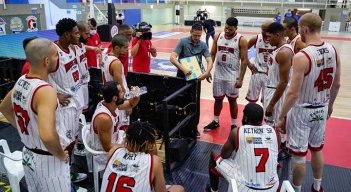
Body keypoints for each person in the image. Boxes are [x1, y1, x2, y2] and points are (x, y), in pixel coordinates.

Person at [276, 13, 341, 192]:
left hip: (302, 111)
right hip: (321, 108)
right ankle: (317, 187)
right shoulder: (334, 50)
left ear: (304, 29)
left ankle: (295, 189)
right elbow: (337, 84)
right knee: (317, 150)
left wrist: (281, 116)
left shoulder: (302, 56)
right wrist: (330, 105)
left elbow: (293, 94)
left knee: (298, 157)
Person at [0, 38, 71, 192]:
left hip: (28, 154)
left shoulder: (21, 81)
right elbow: (47, 136)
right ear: (46, 61)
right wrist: (60, 154)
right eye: (55, 56)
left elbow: (4, 108)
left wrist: (24, 131)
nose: (57, 58)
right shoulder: (45, 91)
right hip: (48, 159)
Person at [206, 103, 280, 192]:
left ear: (245, 117)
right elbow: (275, 153)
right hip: (272, 188)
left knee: (214, 153)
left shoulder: (237, 131)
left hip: (244, 188)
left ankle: (213, 190)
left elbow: (224, 155)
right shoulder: (274, 132)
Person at [48, 18, 87, 182]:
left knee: (72, 141)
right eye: (76, 33)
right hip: (64, 107)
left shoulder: (71, 48)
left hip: (75, 101)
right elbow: (38, 75)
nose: (79, 36)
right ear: (66, 34)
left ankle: (68, 173)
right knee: (65, 143)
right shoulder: (53, 52)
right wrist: (55, 95)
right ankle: (63, 177)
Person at [100, 121, 184, 192]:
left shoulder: (113, 151)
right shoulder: (154, 161)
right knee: (179, 189)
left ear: (126, 138)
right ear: (149, 144)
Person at [204, 17, 249, 131]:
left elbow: (244, 60)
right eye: (226, 28)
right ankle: (215, 121)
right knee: (218, 100)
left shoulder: (241, 40)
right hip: (219, 74)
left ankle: (234, 124)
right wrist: (208, 70)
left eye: (230, 29)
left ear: (236, 28)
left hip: (232, 76)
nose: (227, 30)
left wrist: (241, 79)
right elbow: (212, 54)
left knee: (232, 100)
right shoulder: (218, 36)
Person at [170, 22, 213, 137]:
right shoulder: (183, 42)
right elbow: (172, 57)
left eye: (199, 36)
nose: (197, 38)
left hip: (195, 79)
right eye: (195, 35)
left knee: (195, 103)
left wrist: (207, 72)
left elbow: (209, 60)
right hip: (181, 77)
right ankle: (178, 127)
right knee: (180, 102)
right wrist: (183, 69)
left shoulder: (203, 45)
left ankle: (194, 127)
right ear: (191, 32)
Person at [265, 22, 294, 160]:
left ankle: (275, 156)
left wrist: (271, 104)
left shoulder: (284, 52)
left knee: (273, 126)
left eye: (269, 37)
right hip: (271, 89)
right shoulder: (279, 48)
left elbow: (283, 81)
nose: (267, 39)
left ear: (277, 35)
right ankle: (279, 149)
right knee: (273, 125)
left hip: (277, 93)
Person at [88, 81, 139, 154]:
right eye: (121, 92)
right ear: (115, 98)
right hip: (103, 156)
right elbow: (107, 147)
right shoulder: (104, 118)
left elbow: (131, 104)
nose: (124, 94)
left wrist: (137, 94)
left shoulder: (111, 103)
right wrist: (127, 147)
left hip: (115, 141)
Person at [102, 34, 131, 130]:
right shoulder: (116, 63)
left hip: (109, 98)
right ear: (117, 47)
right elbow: (120, 87)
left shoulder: (105, 57)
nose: (127, 49)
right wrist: (128, 104)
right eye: (125, 47)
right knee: (122, 130)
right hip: (118, 101)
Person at [245, 21, 275, 104]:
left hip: (270, 75)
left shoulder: (277, 41)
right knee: (251, 101)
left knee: (266, 102)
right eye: (263, 30)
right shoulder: (256, 38)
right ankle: (251, 116)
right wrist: (249, 64)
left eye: (266, 30)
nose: (264, 32)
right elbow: (243, 51)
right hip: (256, 73)